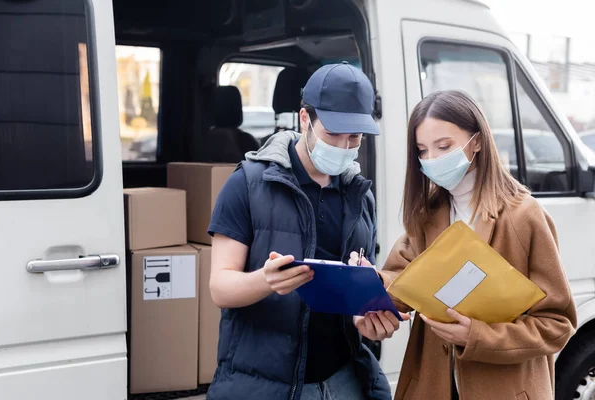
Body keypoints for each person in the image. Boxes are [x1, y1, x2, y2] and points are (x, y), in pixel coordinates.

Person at [351, 90, 577, 400]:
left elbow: (557, 324)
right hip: (431, 385)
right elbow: (401, 281)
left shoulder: (524, 216)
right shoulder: (428, 213)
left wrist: (479, 336)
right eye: (422, 150)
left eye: (444, 146)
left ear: (478, 141)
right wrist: (371, 284)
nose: (432, 159)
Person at [206, 62, 407, 400]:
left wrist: (366, 317)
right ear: (304, 119)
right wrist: (265, 280)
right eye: (333, 133)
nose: (344, 146)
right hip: (267, 385)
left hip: (344, 381)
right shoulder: (248, 183)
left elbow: (358, 287)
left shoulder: (360, 196)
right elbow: (220, 288)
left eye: (354, 137)